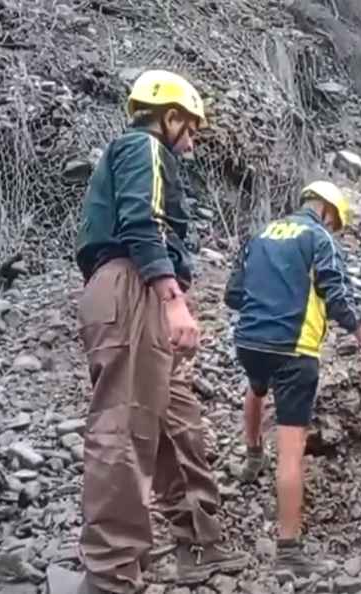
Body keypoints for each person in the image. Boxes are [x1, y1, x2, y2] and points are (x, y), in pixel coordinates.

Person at [74, 70, 247, 594]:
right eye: (189, 129)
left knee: (177, 422)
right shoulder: (143, 148)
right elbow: (142, 221)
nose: (190, 142)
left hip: (140, 288)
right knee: (125, 431)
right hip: (134, 286)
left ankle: (197, 540)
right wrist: (172, 298)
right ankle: (109, 577)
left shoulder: (149, 153)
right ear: (169, 117)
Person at [224, 180, 361, 576]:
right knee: (292, 448)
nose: (333, 229)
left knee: (256, 386)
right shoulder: (319, 238)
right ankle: (289, 550)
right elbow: (337, 297)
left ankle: (251, 458)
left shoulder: (261, 234)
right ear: (330, 212)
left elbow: (233, 295)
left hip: (250, 342)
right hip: (294, 351)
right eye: (336, 223)